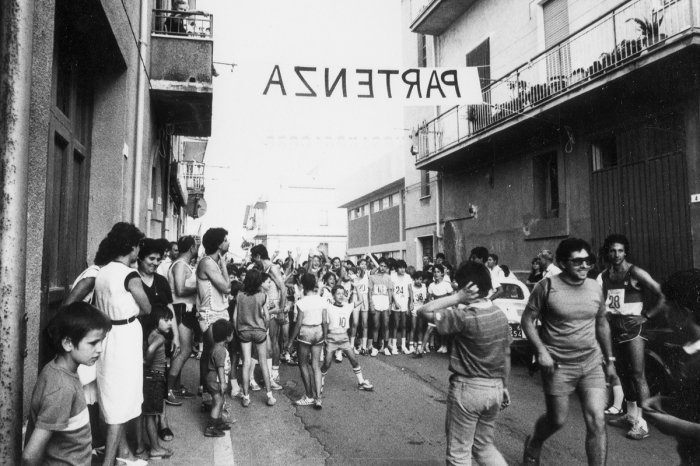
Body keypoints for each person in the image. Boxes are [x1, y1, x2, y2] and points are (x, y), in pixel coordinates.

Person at [521, 238, 616, 466]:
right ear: (563, 263)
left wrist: (610, 359)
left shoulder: (594, 286)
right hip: (558, 365)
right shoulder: (546, 287)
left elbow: (601, 323)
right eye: (578, 261)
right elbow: (527, 320)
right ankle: (534, 441)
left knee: (597, 420)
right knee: (557, 419)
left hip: (591, 363)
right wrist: (541, 351)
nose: (585, 266)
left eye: (588, 260)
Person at [417, 261, 511, 466]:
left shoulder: (464, 317)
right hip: (495, 388)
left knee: (459, 454)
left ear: (466, 289)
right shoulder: (499, 315)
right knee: (484, 446)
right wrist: (504, 386)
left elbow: (423, 311)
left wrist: (457, 298)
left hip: (468, 389)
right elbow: (506, 355)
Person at [23, 302, 112, 466]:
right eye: (93, 343)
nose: (99, 349)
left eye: (102, 341)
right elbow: (30, 456)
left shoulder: (61, 369)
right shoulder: (61, 388)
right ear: (67, 343)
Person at [93, 222, 151, 466]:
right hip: (125, 335)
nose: (139, 250)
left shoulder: (103, 271)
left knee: (111, 394)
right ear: (131, 247)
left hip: (107, 335)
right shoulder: (130, 275)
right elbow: (147, 307)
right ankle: (109, 462)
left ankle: (124, 454)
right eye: (138, 245)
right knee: (121, 400)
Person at [597, 234, 666, 440]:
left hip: (633, 328)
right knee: (623, 373)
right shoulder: (605, 275)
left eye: (620, 250)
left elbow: (662, 293)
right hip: (614, 328)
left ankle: (642, 423)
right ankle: (630, 415)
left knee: (637, 375)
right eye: (612, 250)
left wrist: (646, 316)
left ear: (625, 251)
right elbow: (606, 303)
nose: (616, 254)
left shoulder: (635, 272)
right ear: (607, 252)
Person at [642, 269, 700, 464]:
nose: (664, 311)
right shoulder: (692, 351)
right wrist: (667, 402)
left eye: (667, 305)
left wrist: (674, 425)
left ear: (684, 314)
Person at [136, 238, 181, 413]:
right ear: (140, 258)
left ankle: (162, 420)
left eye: (158, 259)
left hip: (160, 336)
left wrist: (176, 336)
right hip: (139, 336)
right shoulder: (133, 279)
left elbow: (170, 308)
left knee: (158, 378)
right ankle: (141, 421)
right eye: (151, 259)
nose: (155, 263)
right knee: (141, 379)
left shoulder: (161, 281)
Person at [196, 228, 232, 407]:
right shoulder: (207, 262)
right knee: (212, 354)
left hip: (218, 313)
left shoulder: (215, 263)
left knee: (212, 354)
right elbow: (226, 288)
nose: (228, 243)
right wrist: (224, 266)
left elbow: (226, 286)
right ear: (218, 244)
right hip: (210, 314)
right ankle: (209, 395)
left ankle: (209, 392)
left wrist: (224, 264)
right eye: (226, 240)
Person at [321, 285, 374, 400]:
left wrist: (357, 289)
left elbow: (360, 300)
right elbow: (324, 321)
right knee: (327, 363)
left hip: (344, 338)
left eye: (342, 293)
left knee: (354, 360)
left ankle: (361, 382)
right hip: (332, 338)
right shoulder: (328, 306)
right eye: (338, 293)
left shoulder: (348, 306)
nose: (340, 296)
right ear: (333, 296)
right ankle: (320, 382)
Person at [235, 269, 277, 408]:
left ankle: (246, 397)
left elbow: (235, 316)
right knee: (263, 361)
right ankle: (270, 396)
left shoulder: (239, 295)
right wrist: (264, 329)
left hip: (244, 331)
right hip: (259, 331)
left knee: (246, 362)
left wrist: (238, 330)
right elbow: (266, 316)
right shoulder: (262, 296)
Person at [138, 305, 175, 459]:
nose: (170, 323)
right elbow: (151, 350)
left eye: (171, 320)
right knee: (151, 414)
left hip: (151, 377)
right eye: (166, 320)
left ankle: (153, 447)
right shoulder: (159, 337)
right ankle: (155, 449)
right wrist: (147, 363)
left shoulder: (152, 334)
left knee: (149, 414)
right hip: (155, 377)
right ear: (156, 321)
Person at [287, 274, 328, 409]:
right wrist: (325, 336)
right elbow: (324, 321)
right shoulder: (321, 300)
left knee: (303, 364)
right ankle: (318, 399)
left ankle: (309, 396)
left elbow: (298, 323)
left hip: (306, 333)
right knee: (316, 365)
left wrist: (290, 340)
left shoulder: (301, 302)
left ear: (302, 285)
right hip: (318, 332)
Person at [250, 244, 288, 386]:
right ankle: (262, 374)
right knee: (260, 341)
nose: (253, 261)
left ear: (258, 256)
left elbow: (283, 289)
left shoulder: (273, 268)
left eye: (254, 258)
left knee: (273, 341)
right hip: (262, 306)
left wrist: (282, 311)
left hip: (274, 307)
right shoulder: (261, 268)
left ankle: (274, 373)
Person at [167, 235, 198, 401]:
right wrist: (198, 288)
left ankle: (176, 387)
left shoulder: (184, 264)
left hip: (187, 309)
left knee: (182, 350)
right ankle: (168, 389)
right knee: (184, 350)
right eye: (196, 246)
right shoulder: (179, 265)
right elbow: (179, 290)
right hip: (180, 309)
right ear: (192, 248)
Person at [204, 319, 236, 437]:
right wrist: (223, 383)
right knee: (218, 402)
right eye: (232, 333)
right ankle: (210, 427)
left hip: (213, 380)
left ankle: (217, 422)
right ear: (227, 336)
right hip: (215, 380)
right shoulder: (220, 350)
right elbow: (220, 367)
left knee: (219, 400)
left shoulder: (218, 347)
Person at [368, 257, 394, 356]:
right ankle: (374, 347)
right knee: (376, 325)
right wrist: (371, 304)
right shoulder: (372, 277)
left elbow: (390, 291)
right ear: (378, 266)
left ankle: (386, 347)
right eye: (381, 266)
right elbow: (369, 292)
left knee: (386, 326)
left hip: (385, 302)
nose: (382, 268)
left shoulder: (388, 277)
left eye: (385, 266)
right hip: (375, 301)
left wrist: (390, 305)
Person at [391, 260, 414, 354]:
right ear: (397, 268)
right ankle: (394, 346)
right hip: (396, 302)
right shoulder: (393, 276)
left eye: (404, 267)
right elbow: (392, 290)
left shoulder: (408, 277)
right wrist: (395, 301)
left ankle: (404, 346)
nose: (402, 269)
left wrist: (411, 302)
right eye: (400, 268)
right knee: (396, 324)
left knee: (404, 324)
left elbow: (410, 290)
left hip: (405, 302)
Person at [353, 257, 371, 355]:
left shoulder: (368, 274)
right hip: (356, 298)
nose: (364, 265)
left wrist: (370, 256)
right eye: (361, 264)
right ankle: (352, 345)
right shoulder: (353, 275)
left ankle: (364, 346)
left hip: (365, 299)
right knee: (355, 323)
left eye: (365, 264)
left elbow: (375, 268)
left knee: (365, 323)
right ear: (358, 265)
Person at [409, 271, 428, 355]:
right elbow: (410, 299)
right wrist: (410, 306)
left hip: (421, 307)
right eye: (417, 279)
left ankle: (420, 344)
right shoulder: (411, 286)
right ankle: (411, 344)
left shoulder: (424, 286)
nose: (418, 281)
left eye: (420, 279)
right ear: (414, 279)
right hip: (414, 307)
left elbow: (424, 299)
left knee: (420, 326)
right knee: (413, 326)